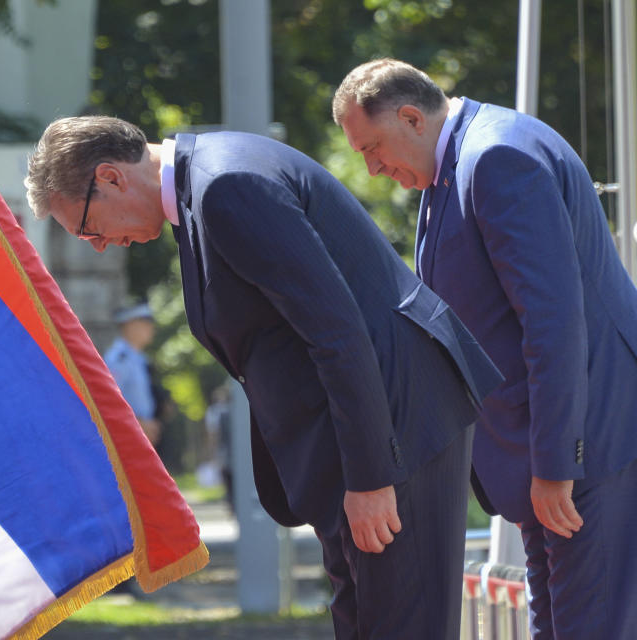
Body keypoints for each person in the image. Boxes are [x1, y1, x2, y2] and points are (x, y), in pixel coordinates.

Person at [25, 115, 502, 638]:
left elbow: (336, 330)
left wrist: (371, 478)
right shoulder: (205, 182)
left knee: (400, 626)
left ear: (111, 177)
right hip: (370, 437)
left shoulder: (224, 185)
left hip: (395, 435)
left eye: (88, 227)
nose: (98, 244)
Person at [334, 58, 637, 639]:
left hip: (584, 450)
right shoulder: (455, 162)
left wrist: (555, 464)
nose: (372, 169)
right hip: (546, 455)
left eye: (372, 147)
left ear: (410, 118)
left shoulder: (496, 158)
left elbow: (552, 321)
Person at [103, 302, 161, 445]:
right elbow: (111, 399)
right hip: (126, 434)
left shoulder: (139, 359)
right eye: (145, 323)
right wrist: (140, 423)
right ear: (130, 325)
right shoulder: (119, 358)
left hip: (140, 433)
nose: (151, 328)